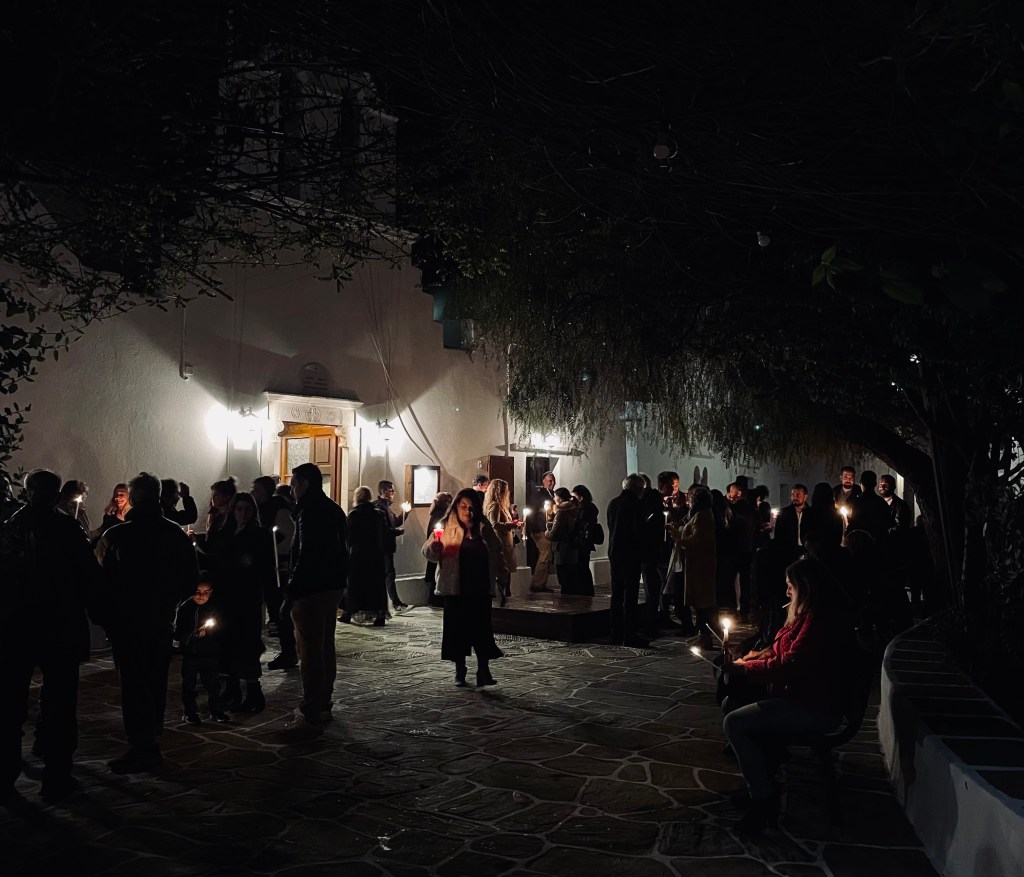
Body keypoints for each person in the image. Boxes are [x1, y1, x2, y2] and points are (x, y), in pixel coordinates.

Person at [722, 557, 855, 833]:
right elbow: (781, 648)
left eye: (790, 587)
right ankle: (762, 780)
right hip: (801, 695)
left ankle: (763, 799)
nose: (786, 593)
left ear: (805, 587)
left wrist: (748, 671)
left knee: (734, 722)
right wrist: (754, 658)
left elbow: (792, 663)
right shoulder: (808, 615)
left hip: (814, 706)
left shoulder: (820, 619)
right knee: (732, 702)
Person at [1, 469, 102, 802]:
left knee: (13, 701)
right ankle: (56, 775)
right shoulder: (64, 527)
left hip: (19, 625)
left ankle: (8, 772)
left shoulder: (12, 526)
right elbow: (88, 575)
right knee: (58, 701)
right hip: (56, 624)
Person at [95, 472, 200, 773]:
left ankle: (141, 745)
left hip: (128, 622)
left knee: (134, 683)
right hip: (160, 619)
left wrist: (106, 617)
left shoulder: (117, 536)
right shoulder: (175, 535)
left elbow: (98, 581)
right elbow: (190, 579)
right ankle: (150, 737)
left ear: (135, 496)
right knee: (155, 680)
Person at [422, 488, 506, 686]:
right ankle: (460, 671)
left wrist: (502, 577)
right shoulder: (446, 526)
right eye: (463, 507)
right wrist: (434, 548)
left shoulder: (484, 529)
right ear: (456, 507)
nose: (468, 511)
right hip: (455, 588)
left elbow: (497, 553)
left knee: (482, 630)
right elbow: (427, 552)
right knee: (457, 631)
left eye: (471, 507)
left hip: (479, 588)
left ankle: (483, 671)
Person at [288, 462, 348, 724]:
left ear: (305, 484)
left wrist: (292, 586)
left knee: (310, 647)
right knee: (325, 644)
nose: (291, 489)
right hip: (333, 585)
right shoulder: (335, 509)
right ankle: (325, 697)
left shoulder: (308, 511)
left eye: (294, 483)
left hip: (311, 587)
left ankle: (312, 701)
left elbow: (306, 552)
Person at [217, 492, 274, 712]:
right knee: (227, 642)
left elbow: (265, 568)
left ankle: (253, 691)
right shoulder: (225, 533)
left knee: (247, 643)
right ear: (233, 511)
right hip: (226, 597)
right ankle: (231, 688)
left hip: (247, 597)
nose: (243, 514)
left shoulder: (259, 535)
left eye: (247, 509)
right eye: (239, 509)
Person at [173, 582, 230, 725]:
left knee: (213, 684)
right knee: (189, 685)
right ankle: (190, 712)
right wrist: (190, 637)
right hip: (190, 654)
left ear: (211, 592)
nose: (201, 596)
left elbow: (222, 630)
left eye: (205, 592)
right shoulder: (185, 608)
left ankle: (217, 711)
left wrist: (209, 633)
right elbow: (178, 632)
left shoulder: (215, 608)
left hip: (209, 653)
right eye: (197, 592)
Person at [671, 486, 717, 649]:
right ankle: (701, 634)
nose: (688, 499)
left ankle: (704, 636)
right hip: (695, 564)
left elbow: (697, 541)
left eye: (690, 496)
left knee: (702, 602)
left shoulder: (703, 516)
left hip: (700, 565)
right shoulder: (698, 515)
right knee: (699, 602)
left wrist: (678, 536)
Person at [251, 475, 294, 647]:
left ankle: (287, 647)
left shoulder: (278, 509)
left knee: (276, 605)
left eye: (257, 489)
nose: (254, 492)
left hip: (274, 564)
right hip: (260, 562)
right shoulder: (256, 508)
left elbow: (286, 534)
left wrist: (271, 548)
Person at [606, 474, 647, 647]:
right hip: (630, 552)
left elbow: (610, 524)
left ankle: (615, 633)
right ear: (638, 489)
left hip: (614, 551)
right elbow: (638, 530)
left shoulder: (613, 503)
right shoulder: (635, 505)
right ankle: (629, 634)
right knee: (630, 594)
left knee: (616, 593)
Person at [346, 485, 388, 626]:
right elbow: (384, 532)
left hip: (358, 553)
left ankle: (350, 611)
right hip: (376, 553)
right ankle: (380, 613)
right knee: (376, 584)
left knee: (356, 584)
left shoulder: (354, 514)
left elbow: (350, 536)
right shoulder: (378, 514)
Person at [374, 480, 409, 613]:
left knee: (389, 574)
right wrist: (398, 532)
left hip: (386, 546)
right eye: (391, 490)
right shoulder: (380, 507)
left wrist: (406, 513)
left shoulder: (386, 507)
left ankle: (395, 602)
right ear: (384, 491)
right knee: (388, 574)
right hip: (383, 547)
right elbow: (385, 529)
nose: (393, 493)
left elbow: (394, 522)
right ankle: (394, 603)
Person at [482, 479, 518, 605]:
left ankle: (505, 594)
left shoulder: (502, 506)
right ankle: (503, 595)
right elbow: (495, 524)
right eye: (505, 491)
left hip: (506, 541)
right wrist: (512, 525)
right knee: (502, 569)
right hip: (501, 541)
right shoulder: (495, 506)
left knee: (506, 570)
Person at [526, 470, 556, 592]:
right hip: (540, 529)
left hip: (546, 528)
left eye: (553, 481)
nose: (552, 483)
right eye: (550, 481)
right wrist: (533, 529)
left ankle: (541, 583)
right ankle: (537, 584)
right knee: (546, 553)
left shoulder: (552, 494)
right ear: (544, 481)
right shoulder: (539, 495)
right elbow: (533, 511)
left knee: (547, 554)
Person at [549, 487, 581, 595]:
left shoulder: (561, 512)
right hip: (572, 548)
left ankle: (567, 603)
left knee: (564, 579)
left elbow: (554, 533)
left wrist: (546, 532)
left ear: (559, 498)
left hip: (562, 549)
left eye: (555, 496)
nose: (554, 498)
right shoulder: (574, 509)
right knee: (572, 577)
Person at [571, 484, 602, 597]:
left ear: (581, 497)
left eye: (574, 497)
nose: (572, 499)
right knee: (583, 566)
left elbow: (582, 524)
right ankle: (586, 590)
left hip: (583, 541)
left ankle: (586, 591)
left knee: (582, 567)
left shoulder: (585, 509)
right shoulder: (589, 507)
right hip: (585, 541)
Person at [424, 492, 453, 603]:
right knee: (437, 574)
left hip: (436, 547)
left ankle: (434, 599)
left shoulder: (436, 514)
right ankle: (435, 599)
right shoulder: (441, 516)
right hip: (438, 547)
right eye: (449, 501)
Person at [772, 484, 811, 563]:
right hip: (789, 552)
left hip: (807, 552)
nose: (795, 497)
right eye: (793, 495)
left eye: (798, 495)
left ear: (805, 496)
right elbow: (778, 534)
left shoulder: (812, 513)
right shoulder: (784, 513)